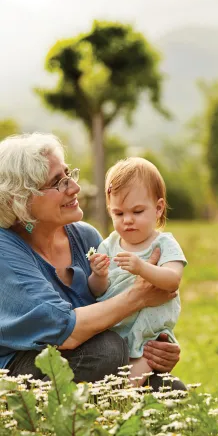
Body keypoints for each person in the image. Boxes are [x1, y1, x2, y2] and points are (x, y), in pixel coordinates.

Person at [0, 133, 183, 388]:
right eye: (58, 182)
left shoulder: (85, 236)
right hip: (19, 368)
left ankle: (105, 412)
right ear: (20, 199)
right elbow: (65, 331)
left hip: (95, 357)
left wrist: (156, 347)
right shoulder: (5, 250)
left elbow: (113, 304)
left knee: (170, 389)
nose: (74, 187)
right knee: (106, 351)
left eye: (69, 175)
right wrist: (140, 295)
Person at [89, 157, 186, 387]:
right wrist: (99, 275)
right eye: (119, 214)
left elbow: (173, 281)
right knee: (112, 379)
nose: (128, 220)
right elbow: (97, 291)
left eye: (137, 211)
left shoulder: (163, 244)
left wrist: (142, 267)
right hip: (116, 328)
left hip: (148, 335)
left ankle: (122, 408)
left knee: (128, 386)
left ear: (158, 208)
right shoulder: (108, 245)